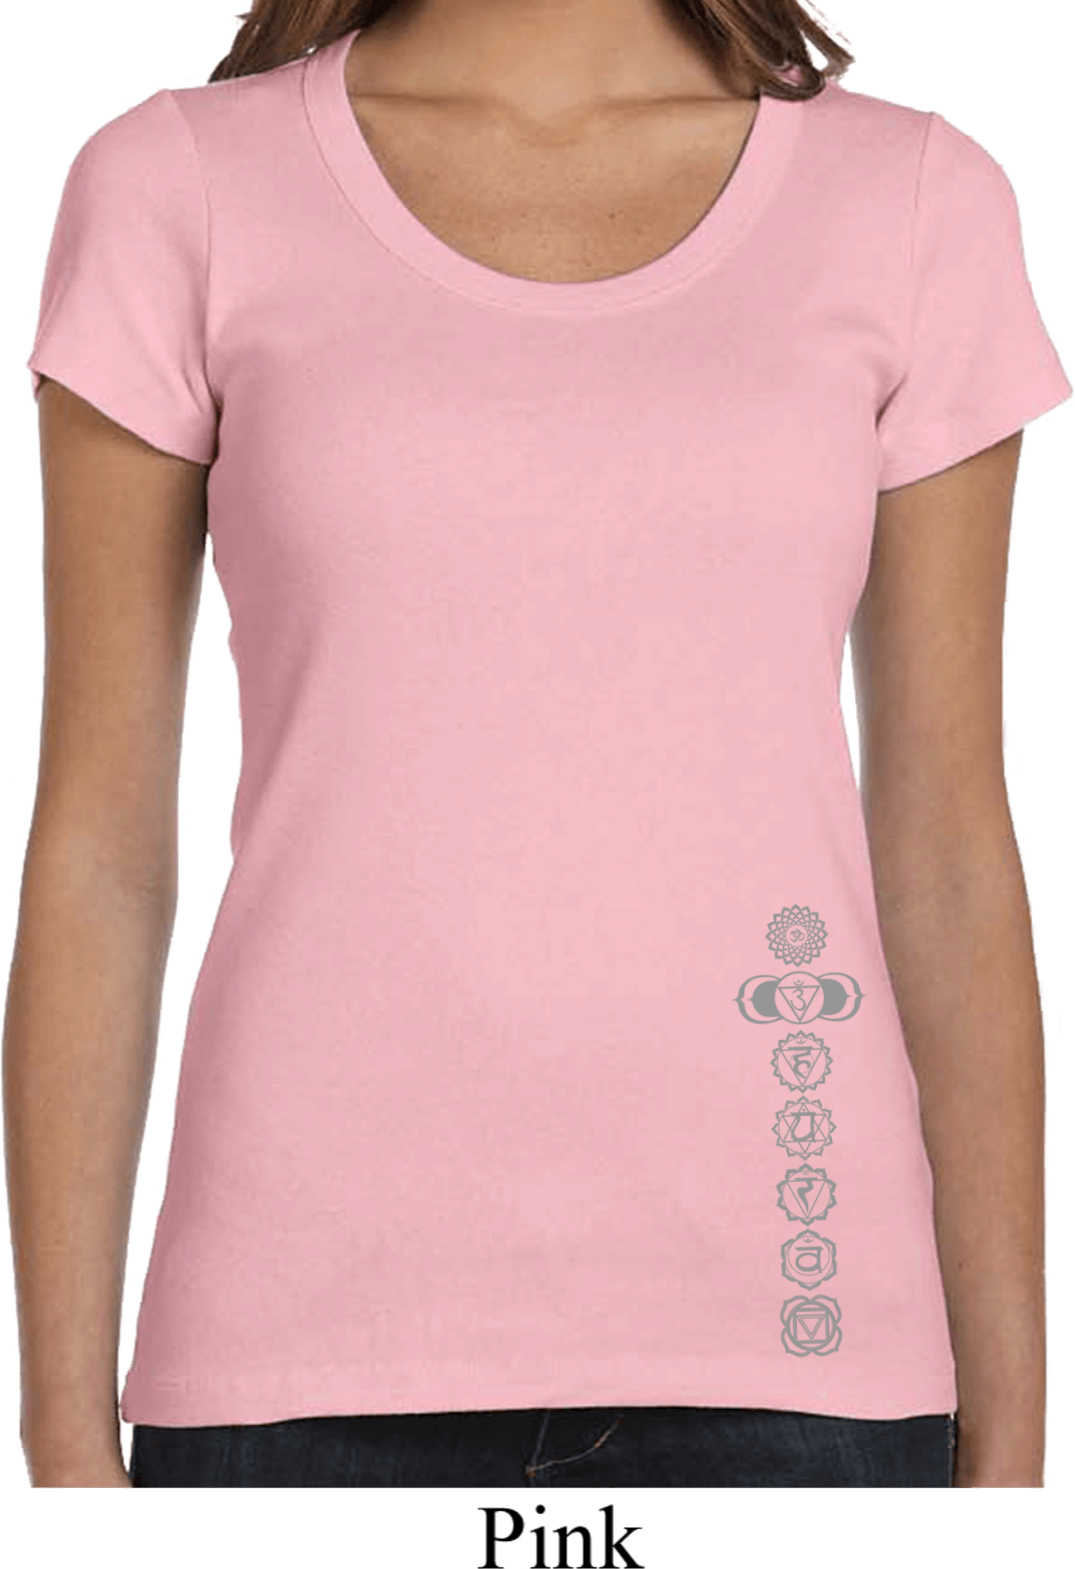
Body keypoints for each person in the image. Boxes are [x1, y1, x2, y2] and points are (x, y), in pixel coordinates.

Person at [5, 0, 1069, 1490]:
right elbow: (102, 845)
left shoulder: (911, 203)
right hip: (292, 1364)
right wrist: (62, 1441)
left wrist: (1014, 1442)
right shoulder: (178, 186)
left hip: (805, 1355)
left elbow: (947, 846)